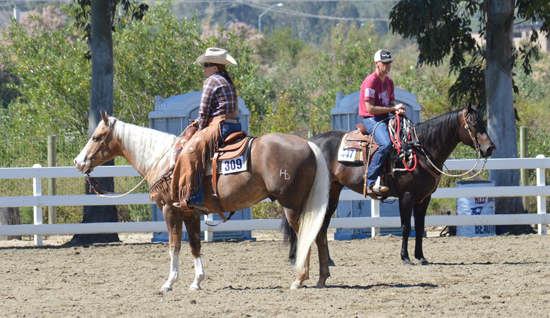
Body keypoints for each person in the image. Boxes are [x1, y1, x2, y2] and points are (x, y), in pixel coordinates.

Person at [172, 47, 242, 210]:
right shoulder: (227, 80)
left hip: (219, 126)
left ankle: (194, 198)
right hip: (234, 125)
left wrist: (199, 126)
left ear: (214, 67)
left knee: (191, 151)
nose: (203, 68)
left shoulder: (212, 81)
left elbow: (203, 113)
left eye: (205, 65)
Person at [358, 49, 406, 195]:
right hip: (371, 119)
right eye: (385, 63)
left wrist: (397, 111)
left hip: (385, 117)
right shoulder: (370, 81)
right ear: (376, 64)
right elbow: (370, 108)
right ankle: (370, 181)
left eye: (389, 62)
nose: (388, 65)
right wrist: (393, 107)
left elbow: (390, 104)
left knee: (404, 139)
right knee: (385, 144)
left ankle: (391, 177)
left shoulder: (389, 82)